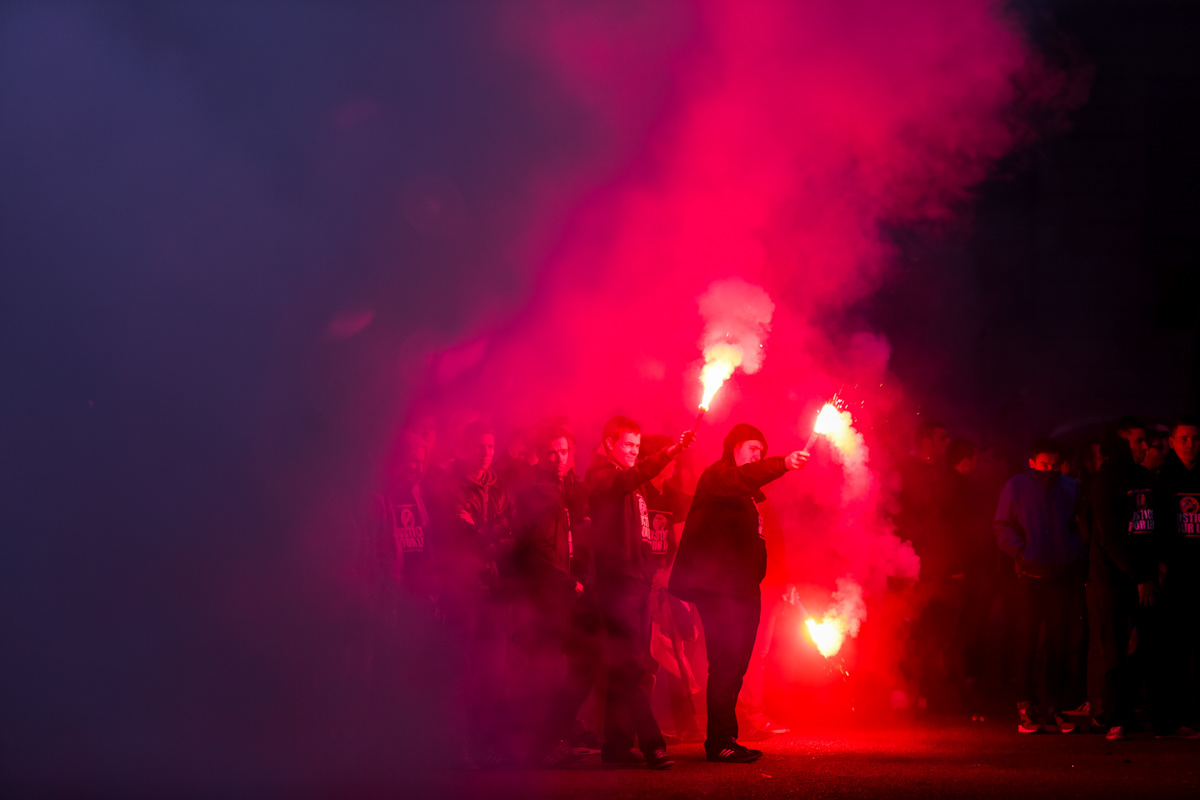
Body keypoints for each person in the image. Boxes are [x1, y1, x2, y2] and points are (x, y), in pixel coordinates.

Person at [669, 423, 808, 763]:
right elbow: (743, 476)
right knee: (725, 662)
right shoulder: (719, 477)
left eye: (762, 451)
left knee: (738, 663)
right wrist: (782, 463)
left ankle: (726, 736)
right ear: (734, 449)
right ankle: (720, 740)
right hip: (719, 588)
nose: (758, 455)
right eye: (752, 449)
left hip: (742, 587)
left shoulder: (748, 494)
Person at [585, 416, 694, 770]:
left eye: (636, 446)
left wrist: (648, 572)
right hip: (616, 584)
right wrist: (669, 452)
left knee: (626, 667)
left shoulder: (632, 482)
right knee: (631, 665)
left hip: (635, 583)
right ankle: (653, 744)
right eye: (627, 445)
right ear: (609, 444)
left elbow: (643, 533)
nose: (633, 452)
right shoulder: (603, 477)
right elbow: (626, 480)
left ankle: (616, 747)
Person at [1087, 417, 1195, 740]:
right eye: (1137, 441)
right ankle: (1116, 720)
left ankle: (1166, 723)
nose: (1144, 447)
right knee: (1115, 649)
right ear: (1120, 444)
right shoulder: (1104, 482)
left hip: (1146, 577)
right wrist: (1139, 576)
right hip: (1113, 579)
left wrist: (1160, 563)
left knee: (1156, 647)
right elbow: (1110, 537)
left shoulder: (1148, 478)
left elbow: (1160, 526)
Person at [510, 425, 594, 765]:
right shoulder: (537, 492)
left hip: (568, 588)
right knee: (547, 668)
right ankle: (539, 744)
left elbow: (574, 541)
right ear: (542, 455)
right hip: (548, 592)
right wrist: (566, 582)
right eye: (552, 452)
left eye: (565, 452)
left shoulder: (569, 488)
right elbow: (538, 549)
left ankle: (553, 736)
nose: (559, 459)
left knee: (574, 664)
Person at [434, 420, 515, 765]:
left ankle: (483, 740)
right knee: (464, 668)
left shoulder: (500, 488)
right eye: (479, 447)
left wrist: (485, 532)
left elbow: (510, 529)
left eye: (490, 447)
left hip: (493, 588)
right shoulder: (451, 487)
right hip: (463, 588)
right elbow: (460, 532)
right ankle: (458, 744)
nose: (485, 453)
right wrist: (489, 534)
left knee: (494, 670)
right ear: (466, 448)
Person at [993, 438, 1086, 733]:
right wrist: (1022, 553)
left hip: (1060, 577)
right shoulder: (1017, 486)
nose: (1049, 471)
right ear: (1032, 463)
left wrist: (1073, 553)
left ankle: (1055, 708)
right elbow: (1002, 524)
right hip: (1028, 578)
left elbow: (1078, 525)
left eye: (1055, 465)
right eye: (1044, 465)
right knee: (1027, 643)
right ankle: (1026, 709)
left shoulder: (1069, 487)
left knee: (1059, 644)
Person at [638, 434, 702, 744]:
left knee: (677, 646)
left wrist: (668, 574)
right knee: (647, 654)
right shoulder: (639, 493)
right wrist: (647, 576)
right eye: (668, 456)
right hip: (642, 583)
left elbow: (681, 542)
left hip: (668, 582)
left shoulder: (675, 497)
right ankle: (643, 726)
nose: (674, 462)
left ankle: (686, 723)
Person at [1160, 415, 1200, 725]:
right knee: (1175, 645)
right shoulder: (1162, 478)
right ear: (1171, 441)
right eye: (1184, 439)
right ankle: (1179, 712)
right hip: (1174, 573)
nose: (1190, 445)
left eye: (1195, 439)